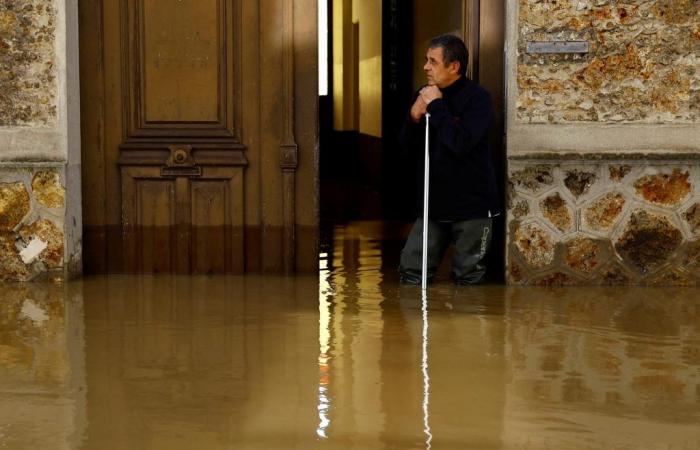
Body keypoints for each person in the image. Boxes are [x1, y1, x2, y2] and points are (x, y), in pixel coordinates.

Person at [398, 34, 499, 285]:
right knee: (411, 272)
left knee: (469, 277)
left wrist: (436, 107)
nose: (425, 67)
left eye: (433, 61)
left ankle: (467, 324)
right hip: (433, 205)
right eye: (426, 60)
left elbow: (461, 144)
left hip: (473, 207)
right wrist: (413, 116)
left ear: (454, 67)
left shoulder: (478, 99)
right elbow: (406, 148)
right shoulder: (423, 95)